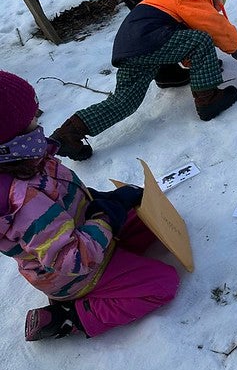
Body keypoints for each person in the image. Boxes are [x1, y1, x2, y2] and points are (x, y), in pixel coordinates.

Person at [0, 71, 180, 342]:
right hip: (73, 274)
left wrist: (98, 200)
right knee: (162, 284)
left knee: (149, 217)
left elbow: (60, 194)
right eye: (31, 120)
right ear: (9, 140)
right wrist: (104, 215)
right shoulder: (23, 201)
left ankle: (115, 249)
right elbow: (73, 260)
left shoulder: (27, 157)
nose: (39, 122)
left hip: (83, 232)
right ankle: (73, 315)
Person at [50, 0, 237, 161]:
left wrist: (203, 67)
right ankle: (208, 100)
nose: (214, 8)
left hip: (131, 46)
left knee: (125, 101)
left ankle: (68, 135)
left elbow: (181, 39)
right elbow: (214, 27)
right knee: (202, 39)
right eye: (216, 4)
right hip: (150, 40)